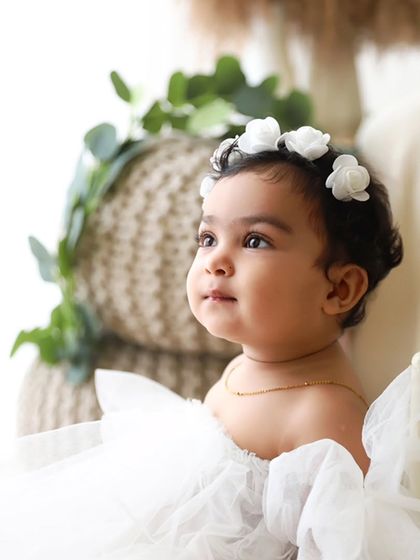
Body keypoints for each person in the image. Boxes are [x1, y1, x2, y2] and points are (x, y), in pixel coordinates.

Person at [0, 117, 419, 559]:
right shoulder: (250, 364)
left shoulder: (324, 415)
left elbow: (347, 546)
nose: (216, 259)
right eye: (208, 237)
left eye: (255, 241)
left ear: (338, 290)